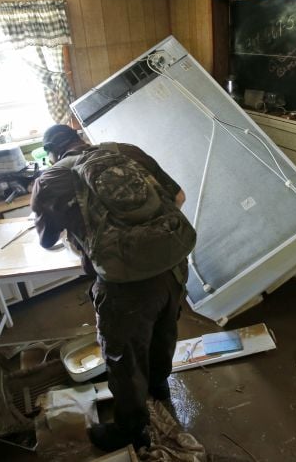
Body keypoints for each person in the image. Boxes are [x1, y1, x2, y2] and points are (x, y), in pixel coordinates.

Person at [30, 124, 189, 452]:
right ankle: (159, 389)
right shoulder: (125, 151)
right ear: (79, 137)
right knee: (164, 331)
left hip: (124, 287)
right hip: (174, 266)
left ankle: (131, 428)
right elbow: (178, 197)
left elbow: (46, 241)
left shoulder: (49, 181)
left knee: (124, 357)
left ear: (52, 153)